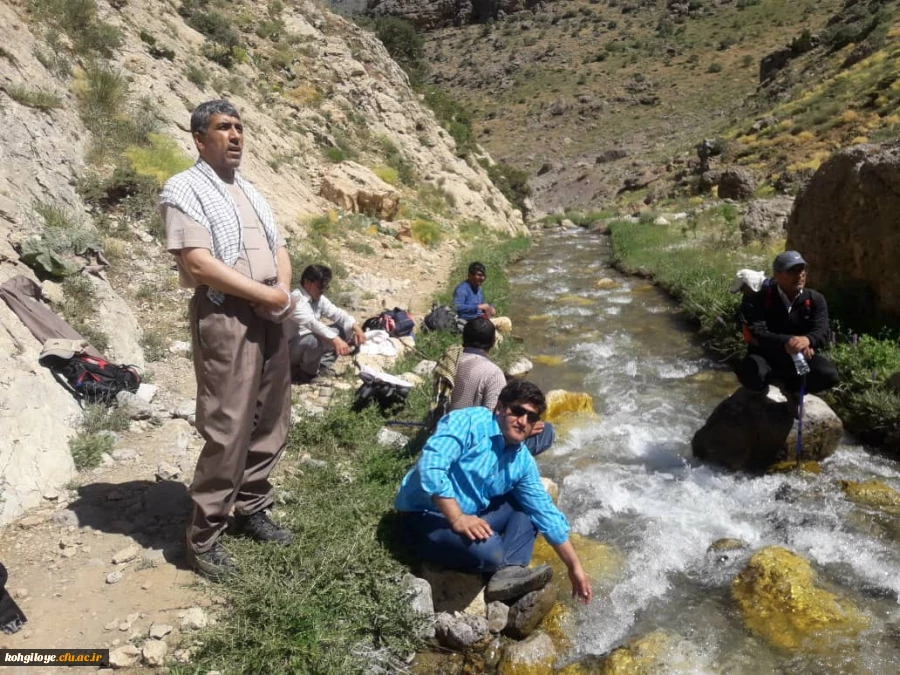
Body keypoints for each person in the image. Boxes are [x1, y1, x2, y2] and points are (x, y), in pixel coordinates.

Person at [160, 100, 295, 578]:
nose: (235, 135)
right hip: (226, 314)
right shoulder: (184, 188)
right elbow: (197, 263)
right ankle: (204, 536)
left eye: (239, 127)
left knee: (272, 415)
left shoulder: (250, 189)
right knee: (229, 422)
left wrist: (280, 292)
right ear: (200, 139)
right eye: (223, 128)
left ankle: (252, 505)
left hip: (269, 312)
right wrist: (265, 294)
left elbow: (279, 247)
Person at [395, 380, 592, 604]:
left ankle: (509, 571)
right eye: (517, 411)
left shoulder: (521, 459)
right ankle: (498, 563)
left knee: (528, 506)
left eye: (531, 418)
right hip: (424, 515)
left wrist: (574, 567)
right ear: (500, 408)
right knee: (491, 553)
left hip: (470, 512)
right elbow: (431, 467)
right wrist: (457, 518)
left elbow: (545, 511)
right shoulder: (469, 422)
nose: (523, 422)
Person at [736, 250, 840, 402]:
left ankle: (793, 388)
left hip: (799, 358)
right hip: (766, 355)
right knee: (751, 373)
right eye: (793, 270)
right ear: (777, 275)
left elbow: (822, 330)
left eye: (802, 270)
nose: (800, 275)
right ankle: (765, 387)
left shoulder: (815, 299)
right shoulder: (761, 297)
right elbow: (758, 331)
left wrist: (807, 340)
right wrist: (787, 341)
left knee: (828, 375)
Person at [449, 318, 556, 456]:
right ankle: (505, 464)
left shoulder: (450, 363)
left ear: (463, 338)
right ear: (493, 342)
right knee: (546, 431)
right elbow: (494, 421)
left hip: (450, 432)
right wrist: (525, 428)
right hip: (475, 445)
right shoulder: (492, 373)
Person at [288, 264, 366, 382]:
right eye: (320, 286)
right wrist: (336, 340)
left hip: (310, 342)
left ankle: (323, 366)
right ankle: (306, 374)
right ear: (307, 283)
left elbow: (338, 314)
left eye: (325, 287)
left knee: (345, 327)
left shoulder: (318, 299)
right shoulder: (295, 300)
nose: (323, 290)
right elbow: (313, 324)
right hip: (292, 348)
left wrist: (356, 327)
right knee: (314, 340)